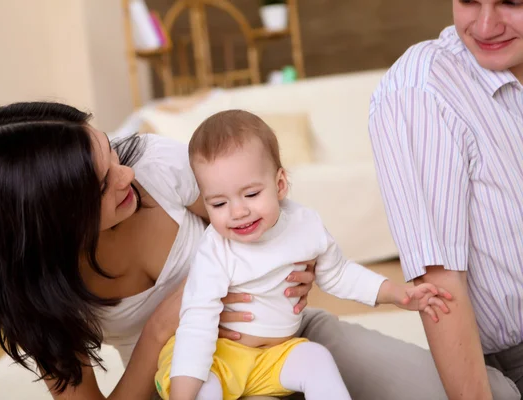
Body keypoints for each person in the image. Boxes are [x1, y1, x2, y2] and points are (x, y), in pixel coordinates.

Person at [0, 101, 515, 400]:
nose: (126, 174)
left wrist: (302, 264)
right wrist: (155, 336)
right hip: (191, 379)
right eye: (103, 182)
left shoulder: (154, 166)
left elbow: (259, 208)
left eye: (110, 154)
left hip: (289, 336)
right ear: (53, 219)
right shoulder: (29, 296)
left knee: (486, 393)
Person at [155, 110, 453, 400]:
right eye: (219, 204)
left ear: (280, 184)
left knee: (315, 357)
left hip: (274, 357)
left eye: (251, 194)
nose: (238, 212)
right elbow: (197, 323)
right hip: (220, 359)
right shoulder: (215, 249)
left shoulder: (304, 226)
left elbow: (339, 273)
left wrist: (397, 293)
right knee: (203, 388)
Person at [368, 1, 523, 399]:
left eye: (512, 2)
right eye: (469, 0)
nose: (486, 25)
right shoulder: (423, 90)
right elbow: (439, 281)